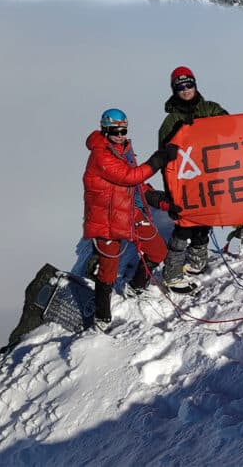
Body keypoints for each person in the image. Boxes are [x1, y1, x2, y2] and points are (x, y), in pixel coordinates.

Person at [83, 108, 179, 331]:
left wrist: (161, 201)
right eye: (115, 131)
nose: (120, 135)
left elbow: (135, 184)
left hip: (129, 212)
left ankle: (136, 286)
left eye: (123, 130)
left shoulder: (123, 149)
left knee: (157, 252)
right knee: (108, 270)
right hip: (107, 219)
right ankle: (102, 316)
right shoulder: (101, 155)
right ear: (105, 130)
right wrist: (159, 159)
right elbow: (129, 177)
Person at [157, 66, 228, 293]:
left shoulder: (210, 109)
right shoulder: (171, 121)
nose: (186, 90)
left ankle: (197, 261)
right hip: (185, 182)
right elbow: (164, 159)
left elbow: (232, 128)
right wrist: (170, 193)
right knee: (184, 225)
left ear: (195, 85)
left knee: (204, 220)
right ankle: (172, 272)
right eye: (180, 87)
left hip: (209, 176)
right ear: (174, 90)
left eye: (189, 85)